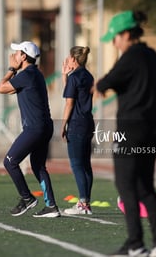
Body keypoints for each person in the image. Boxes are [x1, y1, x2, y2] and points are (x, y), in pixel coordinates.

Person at [95, 11, 156, 257]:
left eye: (115, 38)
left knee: (125, 185)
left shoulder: (131, 56)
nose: (114, 43)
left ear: (126, 34)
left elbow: (105, 83)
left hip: (130, 129)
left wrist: (98, 86)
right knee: (146, 187)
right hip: (151, 127)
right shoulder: (152, 55)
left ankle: (135, 243)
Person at [0, 41, 60, 218]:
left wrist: (11, 68)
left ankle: (27, 198)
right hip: (44, 126)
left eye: (16, 53)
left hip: (35, 128)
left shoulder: (27, 75)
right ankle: (51, 206)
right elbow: (10, 90)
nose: (14, 55)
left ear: (23, 56)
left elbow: (1, 88)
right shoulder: (34, 74)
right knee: (38, 165)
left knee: (10, 162)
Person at [60, 46, 95, 215]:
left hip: (76, 123)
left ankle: (82, 203)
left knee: (76, 164)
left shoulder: (75, 77)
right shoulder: (88, 76)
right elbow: (72, 93)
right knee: (86, 164)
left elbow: (69, 103)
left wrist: (63, 124)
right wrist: (64, 76)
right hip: (88, 122)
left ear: (73, 59)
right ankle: (86, 202)